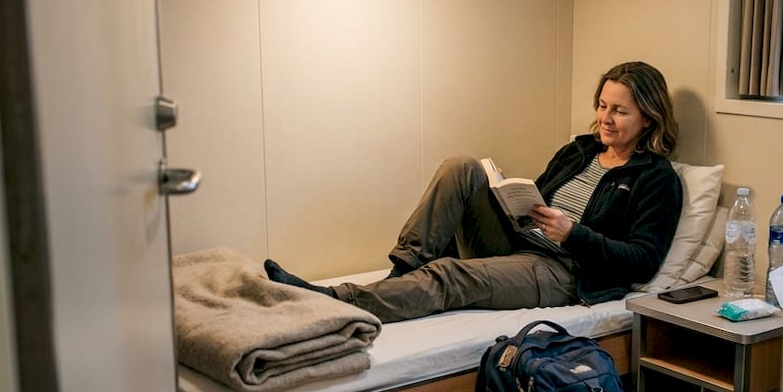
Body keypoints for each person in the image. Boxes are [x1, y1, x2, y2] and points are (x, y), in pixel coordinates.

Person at [265, 61, 683, 323]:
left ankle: (334, 300)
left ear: (648, 118)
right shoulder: (580, 150)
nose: (604, 118)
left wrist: (573, 234)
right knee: (462, 166)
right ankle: (402, 271)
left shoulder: (656, 178)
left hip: (565, 272)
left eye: (619, 110)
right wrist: (509, 196)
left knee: (451, 275)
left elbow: (642, 262)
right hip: (522, 243)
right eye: (602, 105)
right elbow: (539, 197)